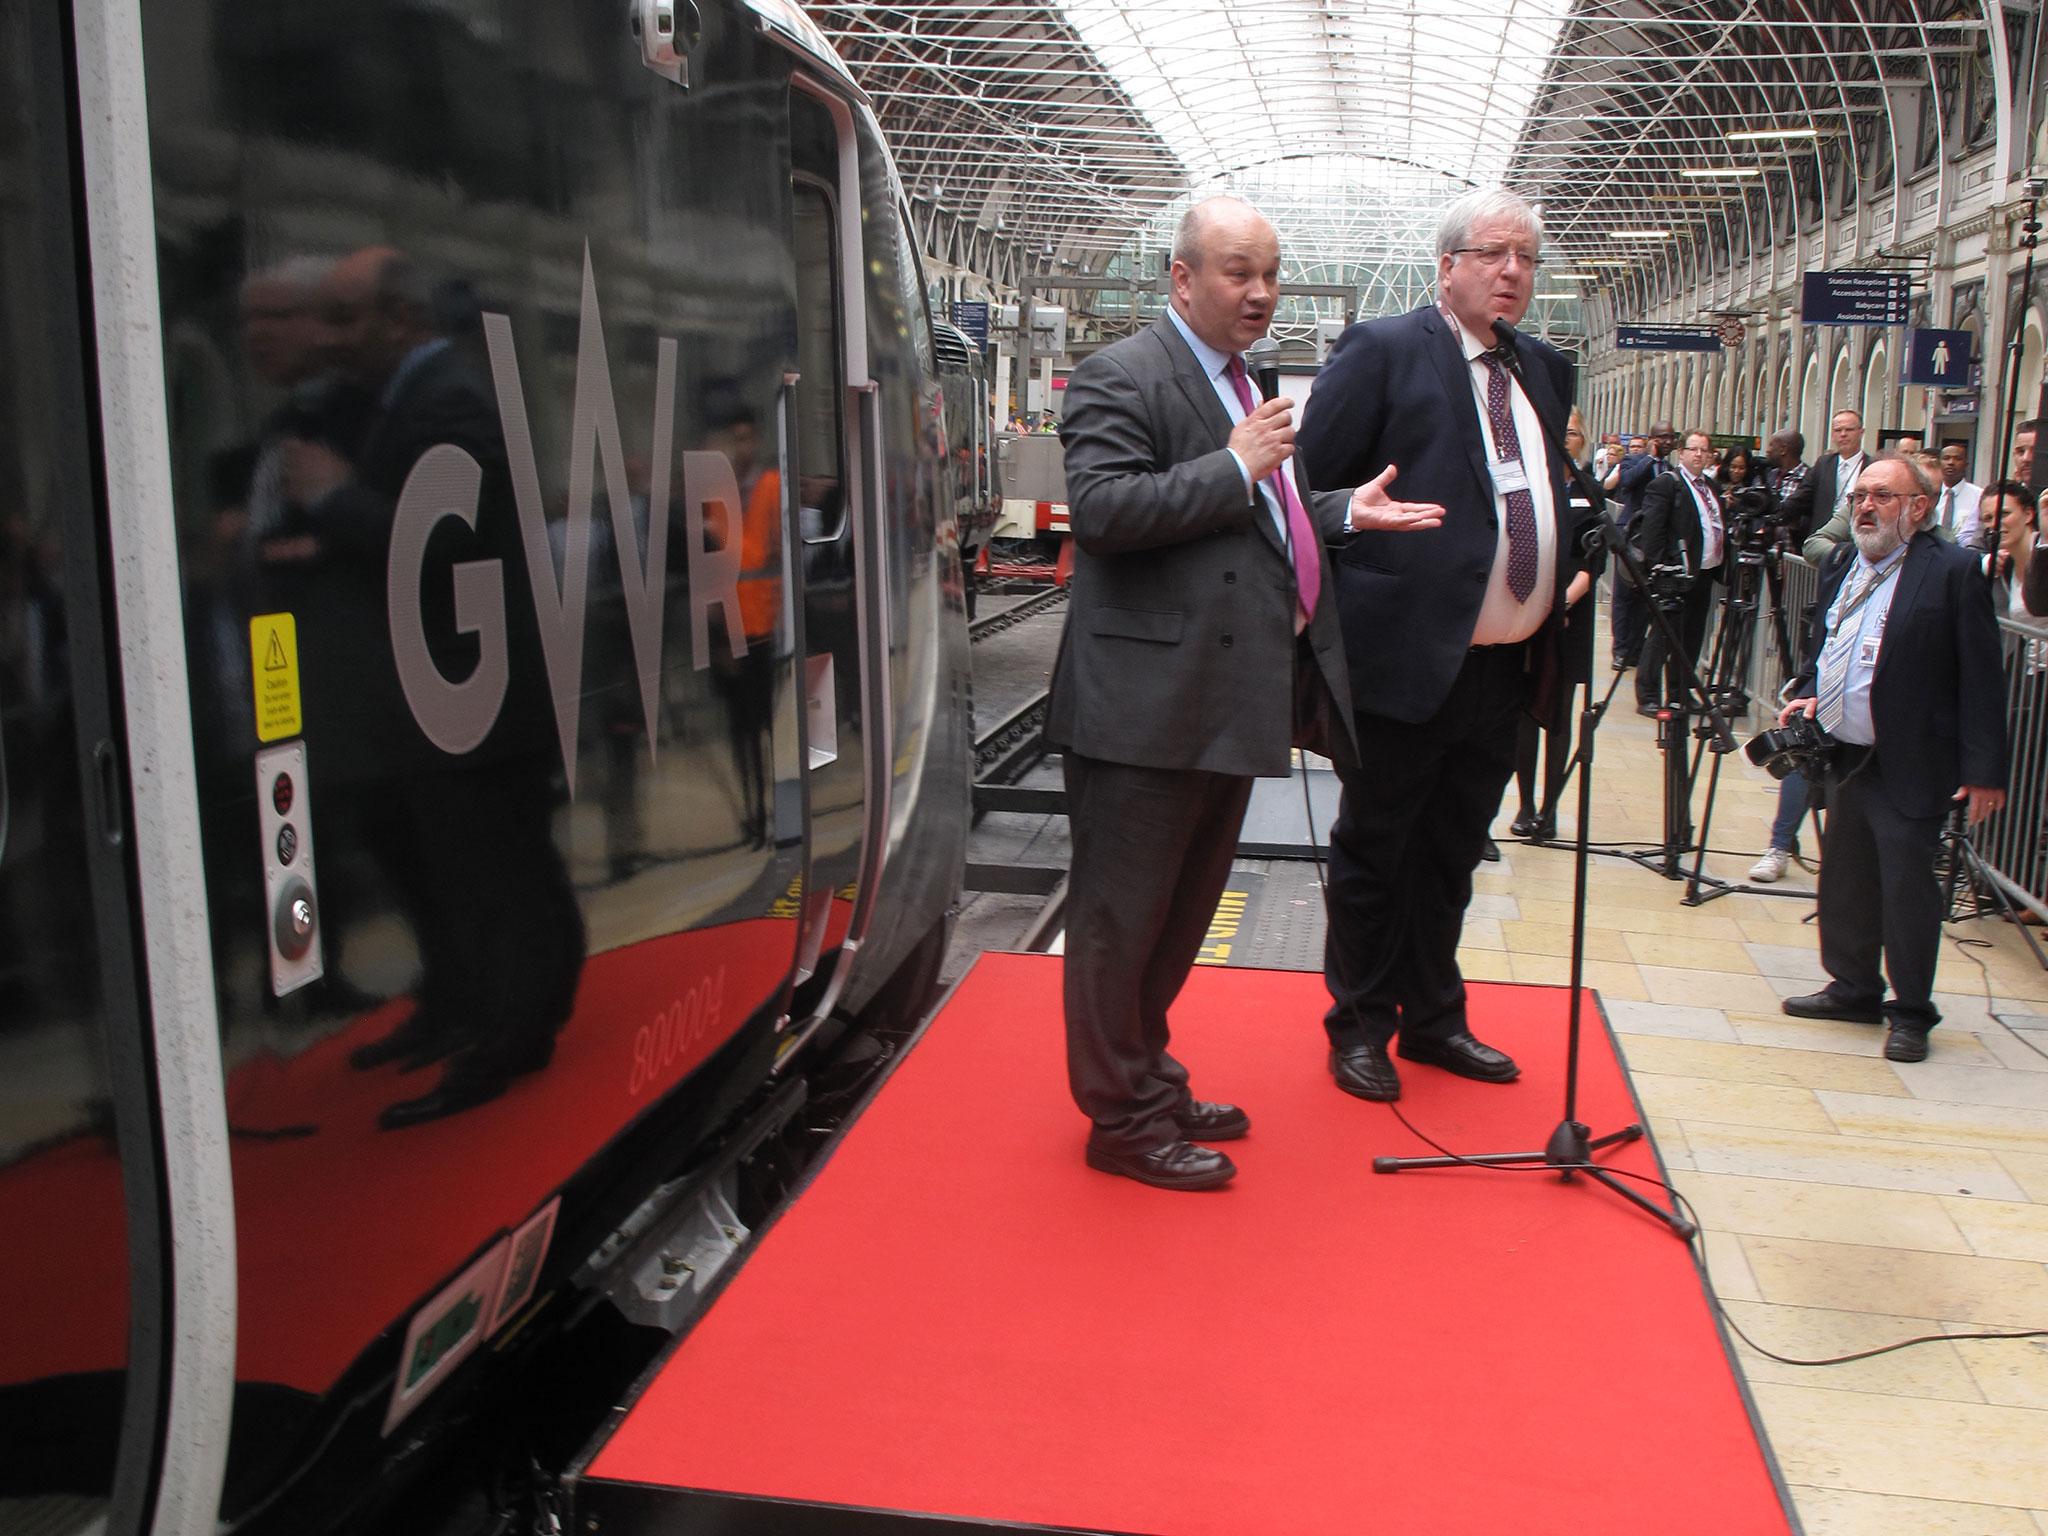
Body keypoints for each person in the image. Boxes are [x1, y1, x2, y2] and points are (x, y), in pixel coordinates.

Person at [1051, 195, 1415, 1190]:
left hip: (1218, 699)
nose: (1258, 293)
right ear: (1180, 278)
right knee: (1120, 924)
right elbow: (1101, 511)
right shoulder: (1119, 374)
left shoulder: (1234, 381)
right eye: (1235, 273)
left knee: (1172, 924)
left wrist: (1335, 512)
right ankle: (1120, 1121)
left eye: (1269, 274)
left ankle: (1148, 1079)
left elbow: (1253, 515)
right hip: (1142, 708)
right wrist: (1232, 463)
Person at [1298, 186, 1592, 1105]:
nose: (1513, 274)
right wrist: (1355, 519)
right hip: (1407, 657)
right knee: (1378, 846)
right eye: (1495, 255)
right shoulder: (1384, 350)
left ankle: (1432, 1016)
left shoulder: (1544, 366)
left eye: (1527, 261)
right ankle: (1359, 1023)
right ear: (1449, 266)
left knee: (1456, 847)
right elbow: (1312, 492)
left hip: (1505, 663)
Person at [1777, 454, 2006, 1062]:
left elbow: (1984, 677)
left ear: (1918, 508)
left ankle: (1910, 1011)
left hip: (1912, 758)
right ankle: (1853, 986)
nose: (1866, 507)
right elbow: (1826, 642)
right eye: (1858, 497)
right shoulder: (1844, 563)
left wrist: (1984, 771)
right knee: (1845, 877)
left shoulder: (1953, 571)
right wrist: (1805, 692)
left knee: (1907, 889)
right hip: (1843, 754)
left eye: (1881, 495)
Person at [1512, 407, 1600, 841]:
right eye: (1558, 431)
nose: (1565, 439)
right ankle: (1525, 805)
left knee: (1561, 715)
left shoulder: (1590, 489)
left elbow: (1594, 557)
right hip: (1529, 610)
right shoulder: (1532, 483)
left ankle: (1550, 809)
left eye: (1572, 433)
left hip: (1569, 614)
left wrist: (1562, 601)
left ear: (1582, 439)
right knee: (1526, 710)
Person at [1633, 429, 1724, 715]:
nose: (1699, 455)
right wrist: (1658, 565)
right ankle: (1648, 693)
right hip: (1674, 574)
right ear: (1681, 452)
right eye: (1693, 449)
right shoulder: (1667, 484)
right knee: (1663, 635)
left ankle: (1680, 690)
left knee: (1693, 635)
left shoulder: (1710, 486)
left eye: (1703, 450)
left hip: (1704, 573)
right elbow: (1653, 529)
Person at [1606, 433, 1662, 668]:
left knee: (1643, 598)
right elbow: (1627, 481)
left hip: (1650, 539)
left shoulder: (1666, 467)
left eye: (1642, 447)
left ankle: (1635, 650)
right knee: (1623, 595)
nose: (1637, 450)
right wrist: (1648, 458)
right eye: (1635, 447)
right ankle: (1620, 649)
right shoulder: (1629, 463)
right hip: (1630, 535)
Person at [1788, 409, 1868, 551]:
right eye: (1838, 430)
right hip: (1826, 539)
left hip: (1860, 540)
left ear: (1861, 432)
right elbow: (1800, 498)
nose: (1843, 434)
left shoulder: (1872, 466)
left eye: (1849, 429)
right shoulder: (1823, 464)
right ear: (1832, 435)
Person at [1933, 441, 1983, 549]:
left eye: (1957, 458)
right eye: (1946, 458)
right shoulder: (1931, 495)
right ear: (1939, 463)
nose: (1951, 462)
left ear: (1966, 464)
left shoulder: (1979, 496)